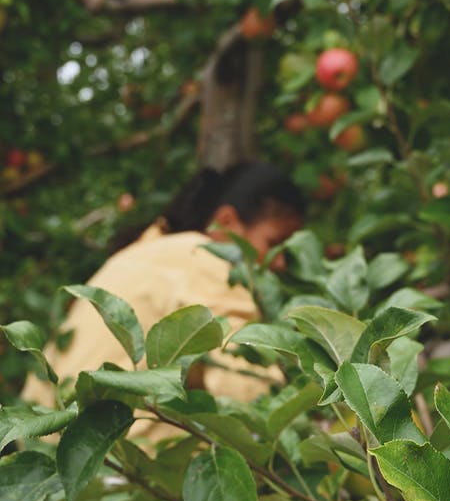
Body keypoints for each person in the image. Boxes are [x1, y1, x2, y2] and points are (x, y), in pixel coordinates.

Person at [22, 161, 305, 443]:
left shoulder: (138, 254)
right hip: (129, 459)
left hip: (49, 447)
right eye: (273, 243)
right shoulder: (205, 260)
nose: (279, 263)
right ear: (227, 222)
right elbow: (248, 384)